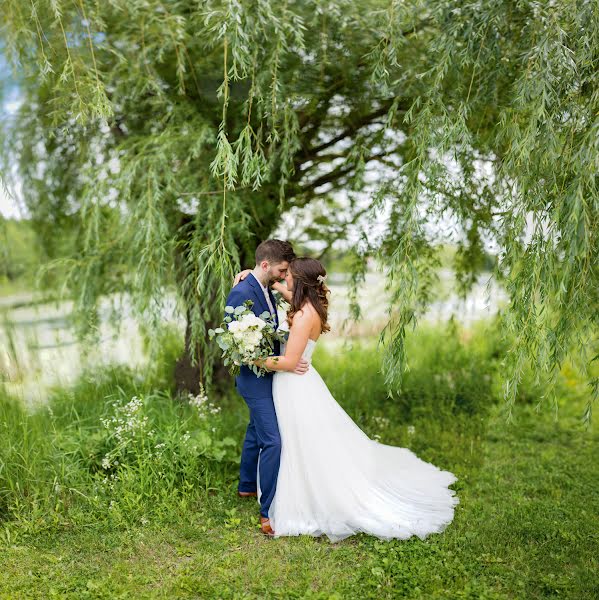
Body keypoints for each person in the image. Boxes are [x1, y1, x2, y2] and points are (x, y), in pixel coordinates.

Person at [236, 257, 459, 541]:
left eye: (289, 276)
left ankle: (307, 497)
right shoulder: (309, 305)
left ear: (301, 282)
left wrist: (255, 358)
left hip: (293, 382)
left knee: (299, 442)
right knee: (298, 440)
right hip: (300, 383)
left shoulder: (304, 316)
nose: (285, 280)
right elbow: (284, 290)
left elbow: (290, 360)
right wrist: (254, 275)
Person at [225, 239, 309, 536]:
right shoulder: (241, 292)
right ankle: (268, 512)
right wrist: (284, 362)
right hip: (253, 377)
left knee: (255, 429)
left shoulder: (264, 286)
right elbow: (239, 347)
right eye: (282, 270)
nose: (284, 276)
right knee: (272, 440)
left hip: (268, 372)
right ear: (265, 265)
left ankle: (247, 485)